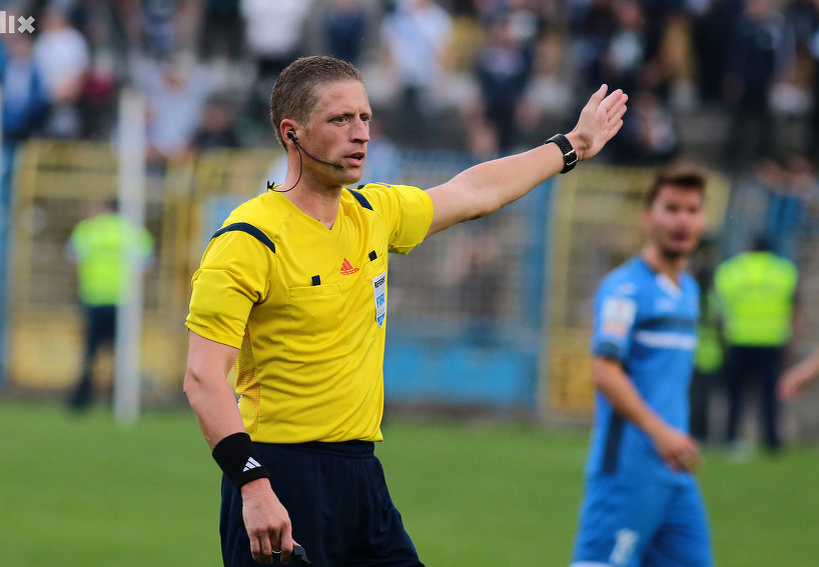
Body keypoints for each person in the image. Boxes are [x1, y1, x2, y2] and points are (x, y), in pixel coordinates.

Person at [183, 55, 627, 567]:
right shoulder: (248, 239)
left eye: (366, 118)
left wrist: (572, 146)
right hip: (281, 475)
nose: (361, 134)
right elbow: (202, 377)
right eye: (340, 120)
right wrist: (253, 485)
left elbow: (473, 191)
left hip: (361, 475)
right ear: (293, 133)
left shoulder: (373, 213)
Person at [570, 161, 713, 567]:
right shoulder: (625, 289)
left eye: (692, 210)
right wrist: (660, 432)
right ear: (648, 216)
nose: (682, 221)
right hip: (628, 471)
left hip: (675, 476)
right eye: (671, 208)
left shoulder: (687, 289)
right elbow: (605, 371)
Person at [714, 235, 798, 453]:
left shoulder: (730, 270)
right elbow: (793, 307)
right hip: (772, 340)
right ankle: (771, 441)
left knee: (736, 394)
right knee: (769, 394)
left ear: (749, 248)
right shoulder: (784, 271)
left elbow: (720, 309)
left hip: (737, 339)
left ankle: (731, 438)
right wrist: (791, 339)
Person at [67, 200, 154, 410]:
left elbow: (74, 262)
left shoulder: (87, 230)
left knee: (90, 351)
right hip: (124, 303)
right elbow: (146, 267)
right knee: (122, 352)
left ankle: (81, 399)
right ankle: (118, 398)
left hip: (93, 298)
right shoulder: (132, 232)